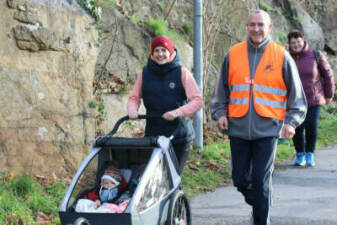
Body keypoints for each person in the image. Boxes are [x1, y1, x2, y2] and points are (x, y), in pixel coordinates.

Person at [210, 10, 307, 225]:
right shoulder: (233, 53)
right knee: (240, 179)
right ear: (246, 27)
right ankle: (261, 204)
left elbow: (297, 96)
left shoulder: (281, 55)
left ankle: (262, 219)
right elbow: (221, 90)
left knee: (261, 180)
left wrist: (291, 122)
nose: (256, 29)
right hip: (238, 127)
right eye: (252, 24)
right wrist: (220, 113)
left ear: (269, 27)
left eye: (261, 25)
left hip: (268, 129)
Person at [127, 35, 203, 174]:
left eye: (163, 50)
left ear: (170, 51)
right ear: (152, 53)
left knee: (172, 176)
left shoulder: (181, 72)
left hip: (178, 135)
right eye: (156, 50)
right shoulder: (145, 73)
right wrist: (132, 111)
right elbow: (134, 97)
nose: (160, 54)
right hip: (153, 134)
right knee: (153, 177)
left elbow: (197, 100)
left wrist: (177, 113)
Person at [287, 31, 335, 167]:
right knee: (296, 127)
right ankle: (300, 154)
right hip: (294, 100)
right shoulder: (286, 57)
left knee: (311, 126)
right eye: (293, 43)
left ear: (303, 41)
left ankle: (310, 154)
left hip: (313, 99)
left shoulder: (315, 55)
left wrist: (329, 94)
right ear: (290, 44)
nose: (296, 45)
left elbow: (328, 75)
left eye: (298, 42)